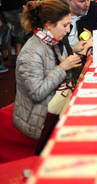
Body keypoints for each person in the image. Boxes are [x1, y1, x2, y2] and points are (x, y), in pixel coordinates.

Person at [13, 0, 82, 140]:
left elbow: (58, 70)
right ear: (49, 25)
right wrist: (63, 67)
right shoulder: (31, 53)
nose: (68, 30)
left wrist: (77, 53)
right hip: (38, 121)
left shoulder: (50, 41)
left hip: (50, 108)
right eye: (65, 25)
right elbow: (37, 93)